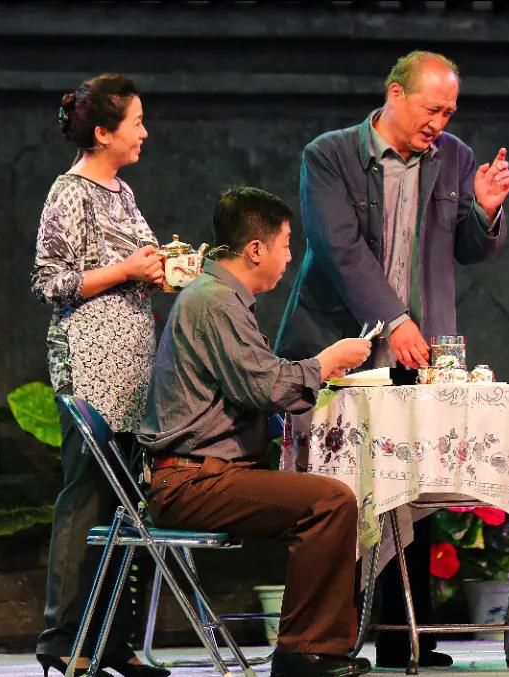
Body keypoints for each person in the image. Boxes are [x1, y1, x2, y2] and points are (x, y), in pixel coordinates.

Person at [274, 50, 509, 668]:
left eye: (449, 111)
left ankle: (410, 635)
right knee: (344, 489)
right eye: (432, 109)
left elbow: (470, 248)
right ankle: (330, 638)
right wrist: (394, 318)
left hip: (421, 349)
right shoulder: (330, 155)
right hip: (343, 346)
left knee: (416, 483)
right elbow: (338, 248)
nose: (440, 122)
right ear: (395, 94)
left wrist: (485, 210)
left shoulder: (454, 157)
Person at [138, 186, 374, 677]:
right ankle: (303, 652)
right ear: (255, 249)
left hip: (207, 472)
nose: (289, 257)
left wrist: (312, 375)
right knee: (330, 501)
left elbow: (255, 383)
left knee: (330, 494)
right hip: (191, 479)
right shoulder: (214, 301)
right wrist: (325, 362)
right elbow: (264, 386)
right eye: (286, 245)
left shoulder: (219, 297)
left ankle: (314, 644)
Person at [31, 73, 170, 677]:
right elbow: (50, 283)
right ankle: (63, 636)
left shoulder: (122, 191)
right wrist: (125, 270)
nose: (144, 132)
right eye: (136, 122)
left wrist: (158, 272)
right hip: (89, 366)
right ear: (105, 132)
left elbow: (133, 266)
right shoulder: (70, 193)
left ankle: (112, 640)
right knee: (86, 497)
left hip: (132, 368)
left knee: (125, 506)